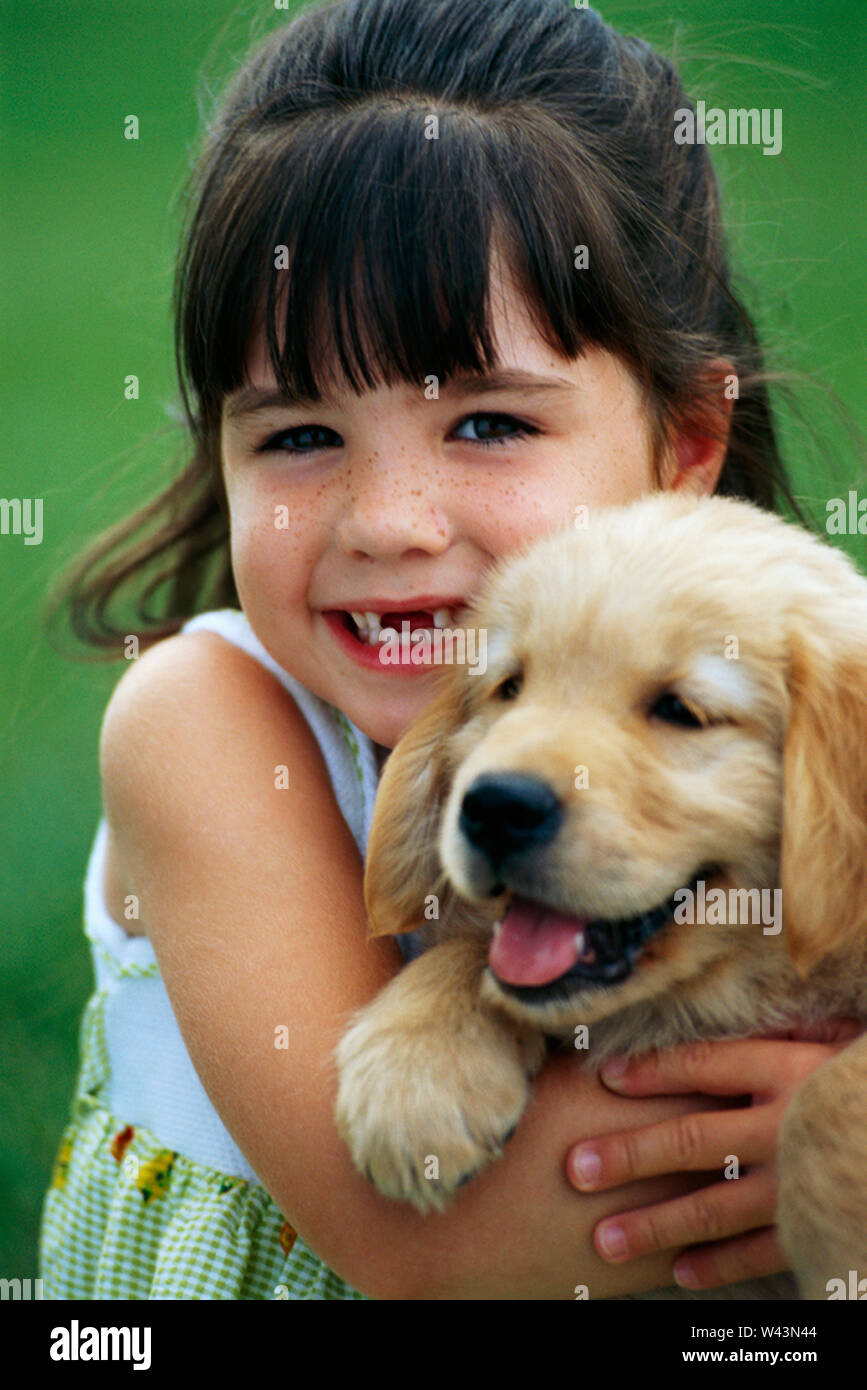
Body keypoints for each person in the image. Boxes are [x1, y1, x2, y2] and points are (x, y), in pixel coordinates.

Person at [39, 0, 858, 1300]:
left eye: (485, 422)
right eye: (299, 435)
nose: (390, 525)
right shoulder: (205, 719)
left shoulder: (801, 697)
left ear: (687, 444)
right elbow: (425, 1243)